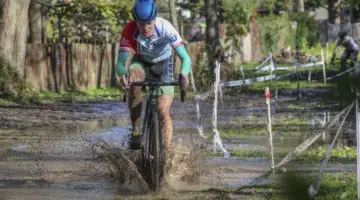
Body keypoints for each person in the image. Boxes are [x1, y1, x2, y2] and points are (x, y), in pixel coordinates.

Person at [116, 0, 192, 152]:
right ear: (135, 21)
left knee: (163, 110)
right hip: (141, 62)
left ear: (155, 19)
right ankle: (136, 130)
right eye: (141, 23)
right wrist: (123, 74)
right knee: (134, 77)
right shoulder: (129, 30)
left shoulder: (166, 28)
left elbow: (186, 58)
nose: (145, 28)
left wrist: (184, 73)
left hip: (163, 64)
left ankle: (167, 153)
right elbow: (120, 63)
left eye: (149, 23)